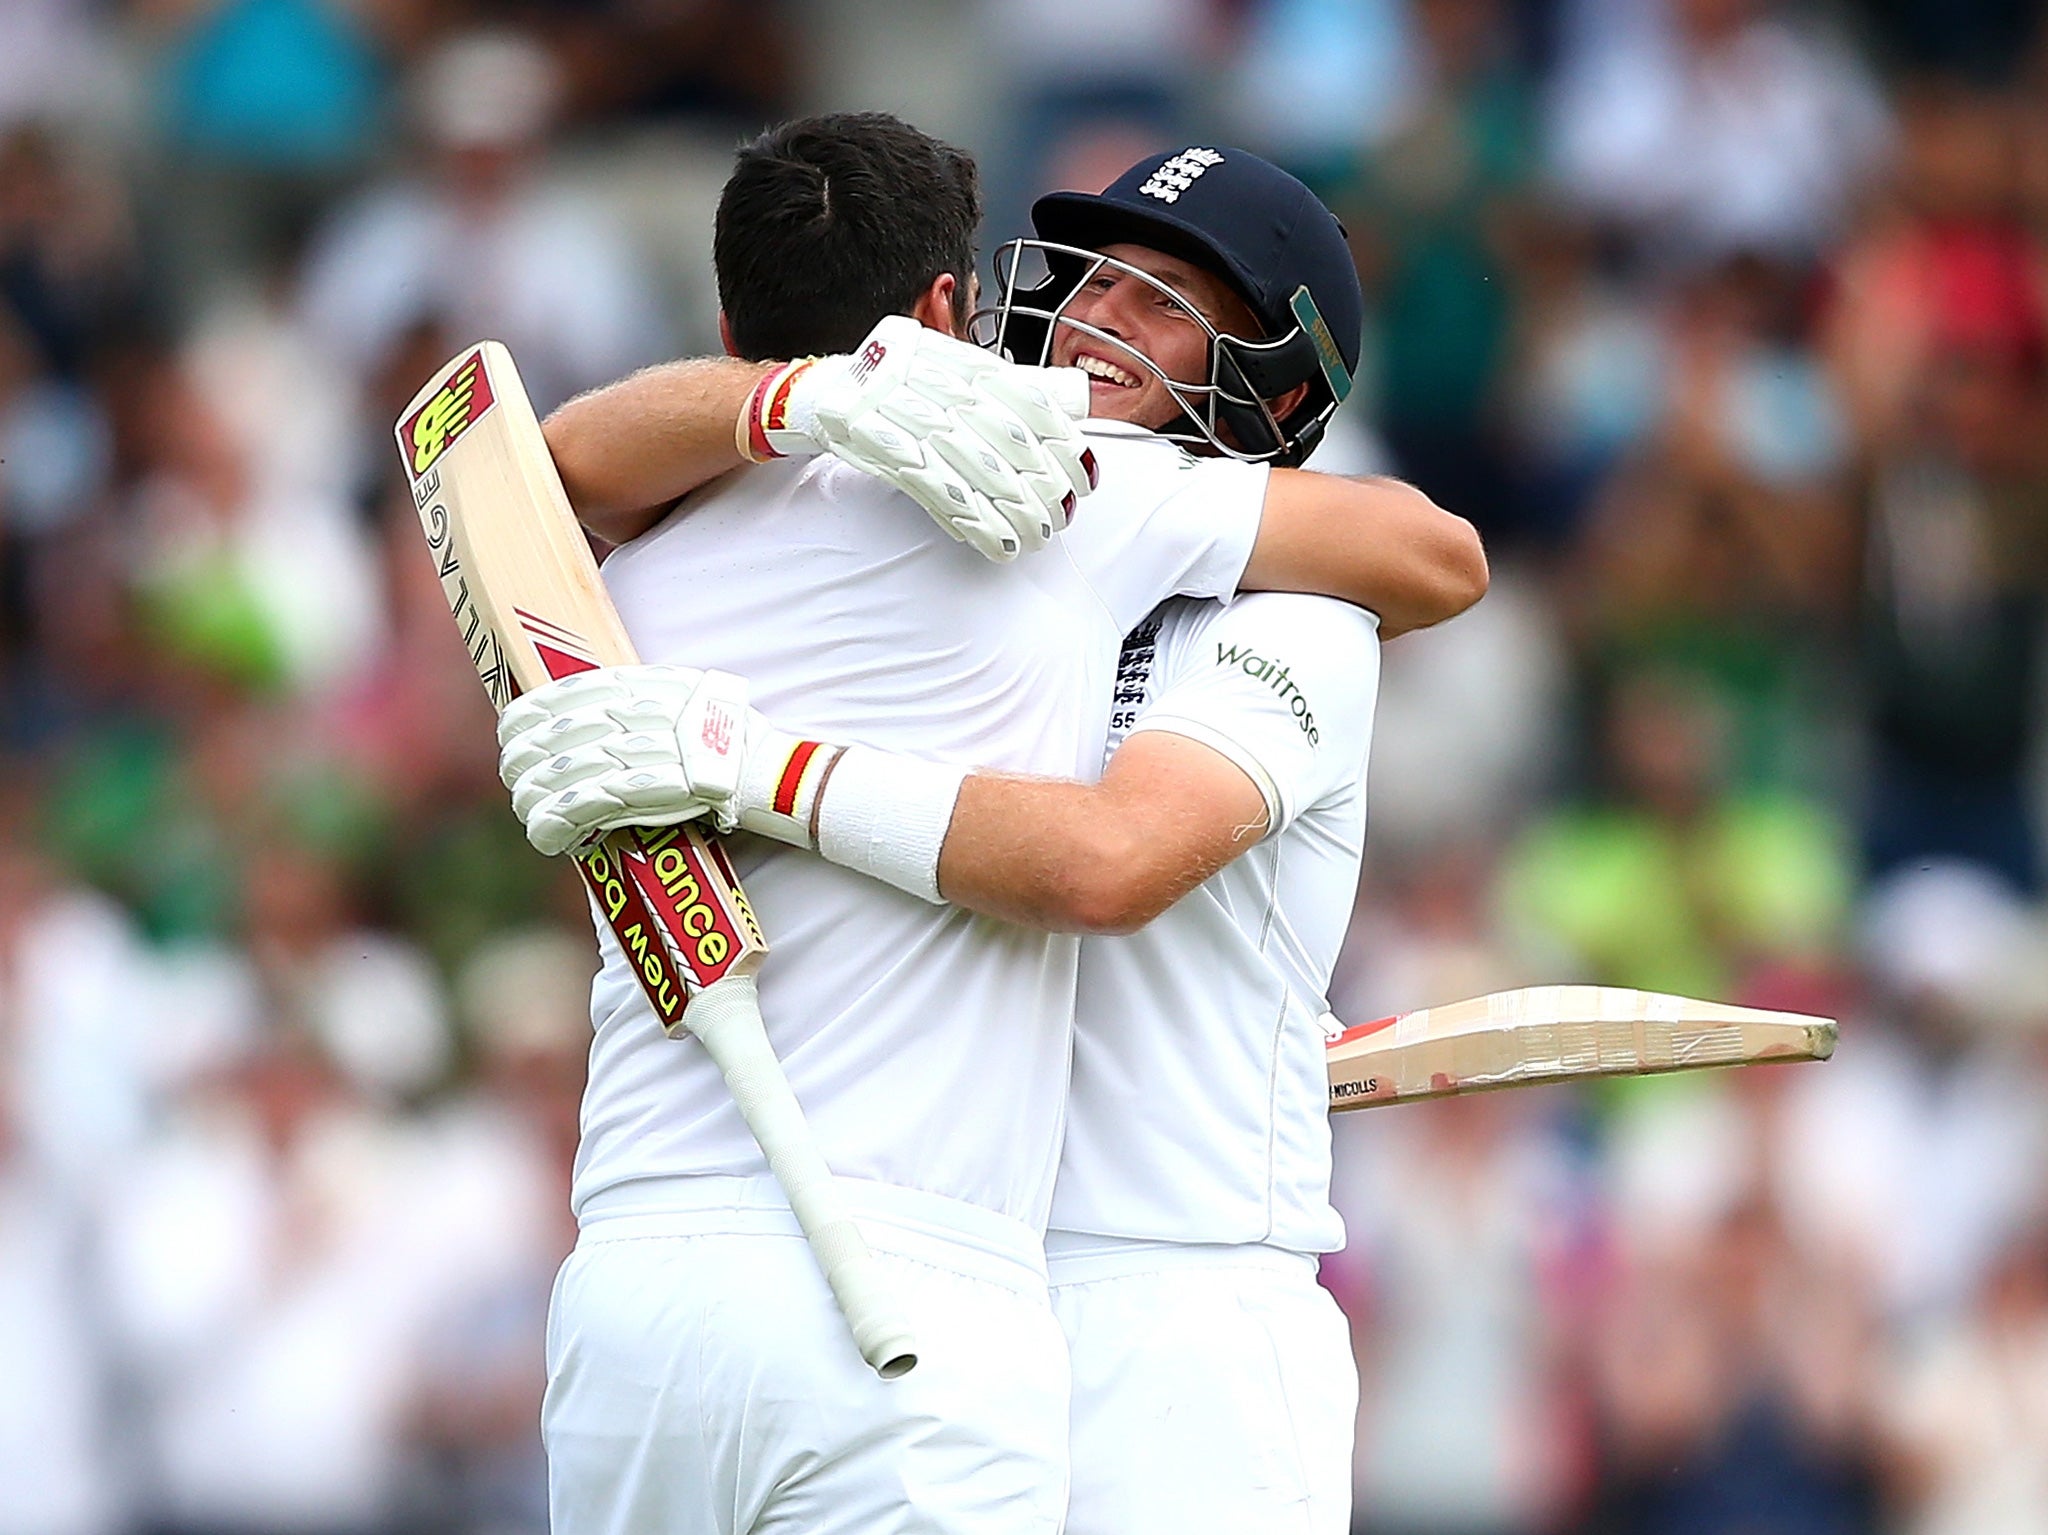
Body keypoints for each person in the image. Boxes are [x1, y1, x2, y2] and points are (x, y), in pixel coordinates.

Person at [513, 113, 1485, 1535]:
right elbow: (550, 472)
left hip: (1177, 1306)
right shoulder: (967, 520)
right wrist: (807, 395)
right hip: (960, 1280)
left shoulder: (1294, 614)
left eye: (1165, 304)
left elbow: (1107, 859)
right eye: (1094, 283)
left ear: (1275, 394)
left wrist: (757, 765)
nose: (1100, 324)